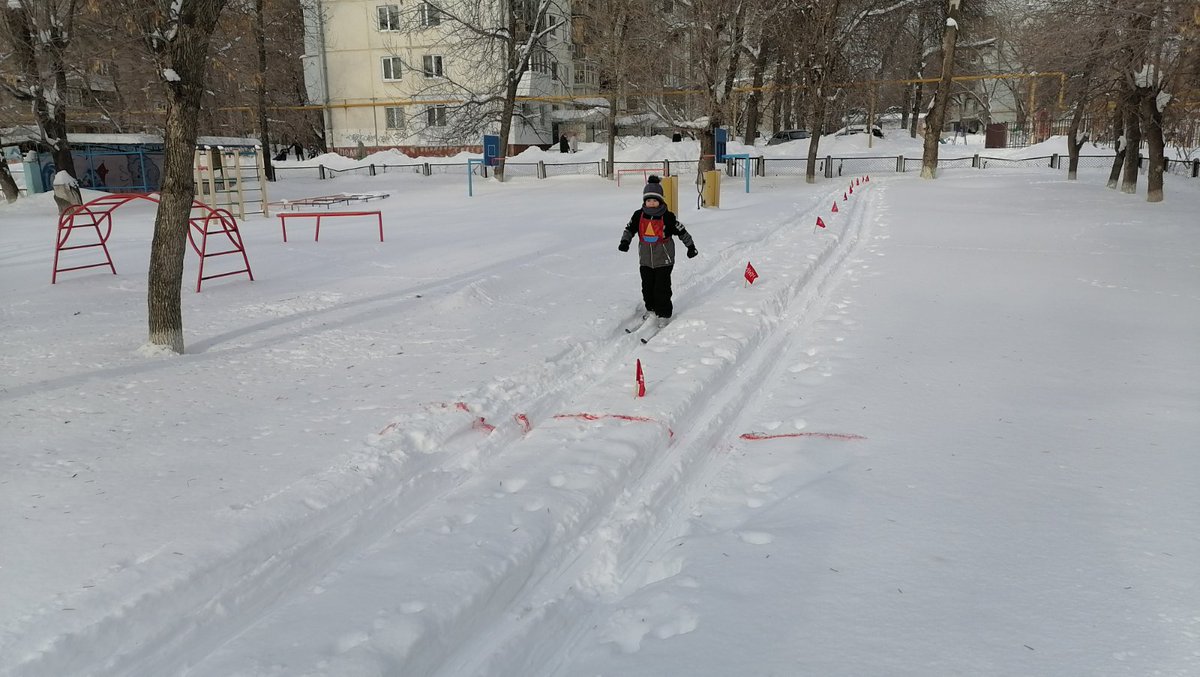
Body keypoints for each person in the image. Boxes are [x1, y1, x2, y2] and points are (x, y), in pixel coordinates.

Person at [618, 175, 697, 327]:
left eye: (655, 201)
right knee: (647, 287)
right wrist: (625, 241)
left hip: (664, 259)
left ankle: (664, 314)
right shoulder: (638, 215)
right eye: (649, 200)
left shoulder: (667, 217)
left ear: (660, 201)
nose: (652, 203)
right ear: (644, 201)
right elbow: (629, 229)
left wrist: (691, 247)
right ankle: (651, 309)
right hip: (645, 259)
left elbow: (682, 231)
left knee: (662, 288)